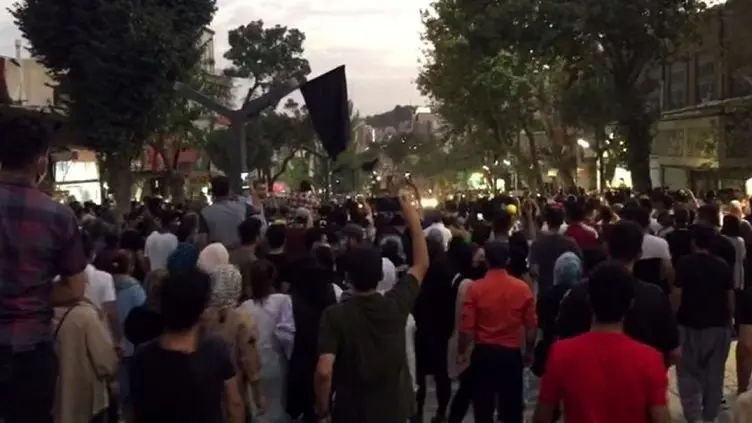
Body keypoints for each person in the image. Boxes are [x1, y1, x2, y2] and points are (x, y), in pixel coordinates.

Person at [0, 107, 89, 423]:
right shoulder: (58, 216)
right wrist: (32, 295)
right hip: (31, 352)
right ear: (40, 161)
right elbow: (75, 289)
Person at [314, 194, 429, 423]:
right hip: (393, 411)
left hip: (351, 412)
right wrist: (413, 218)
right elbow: (421, 264)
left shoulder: (335, 315)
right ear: (380, 276)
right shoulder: (396, 304)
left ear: (348, 277)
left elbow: (324, 371)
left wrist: (322, 409)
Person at [533, 263, 671, 423]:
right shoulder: (650, 359)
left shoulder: (561, 353)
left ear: (589, 300)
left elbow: (542, 416)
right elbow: (660, 417)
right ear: (631, 303)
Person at [129, 268, 246, 423]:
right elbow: (234, 403)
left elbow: (135, 408)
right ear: (201, 310)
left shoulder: (142, 356)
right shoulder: (214, 350)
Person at [458, 241, 537, 423]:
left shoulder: (475, 289)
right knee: (512, 409)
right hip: (510, 355)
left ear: (486, 261)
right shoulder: (521, 288)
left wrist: (462, 352)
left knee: (483, 409)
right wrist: (529, 352)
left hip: (483, 354)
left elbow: (466, 328)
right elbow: (531, 327)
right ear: (507, 260)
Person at [671, 224, 734, 423]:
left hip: (688, 323)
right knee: (714, 374)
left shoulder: (684, 263)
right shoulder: (722, 265)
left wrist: (672, 316)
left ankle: (693, 416)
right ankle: (710, 415)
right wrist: (730, 319)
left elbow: (677, 294)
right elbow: (729, 296)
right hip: (717, 324)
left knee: (687, 373)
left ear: (693, 242)